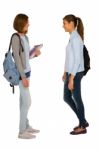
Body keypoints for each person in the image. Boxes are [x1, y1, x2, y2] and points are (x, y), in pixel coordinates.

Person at [12, 14, 41, 139]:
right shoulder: (15, 38)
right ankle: (21, 131)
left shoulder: (26, 38)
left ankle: (25, 125)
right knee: (28, 102)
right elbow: (17, 59)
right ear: (21, 23)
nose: (29, 24)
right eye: (27, 22)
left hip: (28, 73)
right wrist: (22, 77)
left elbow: (26, 56)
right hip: (21, 75)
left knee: (23, 102)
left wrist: (35, 54)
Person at [62, 14, 89, 135]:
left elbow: (78, 61)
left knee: (77, 99)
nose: (63, 26)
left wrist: (72, 78)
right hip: (70, 72)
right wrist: (65, 72)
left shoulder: (76, 38)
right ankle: (83, 121)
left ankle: (82, 126)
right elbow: (70, 58)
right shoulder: (71, 37)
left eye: (65, 23)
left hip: (76, 74)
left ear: (71, 23)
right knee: (67, 98)